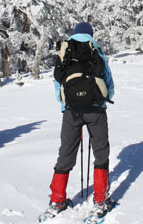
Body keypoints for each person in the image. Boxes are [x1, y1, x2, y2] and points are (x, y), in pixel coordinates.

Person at [42, 22, 116, 220]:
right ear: (91, 34)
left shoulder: (65, 52)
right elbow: (109, 83)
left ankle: (57, 199)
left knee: (65, 153)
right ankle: (100, 199)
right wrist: (102, 99)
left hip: (71, 112)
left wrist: (67, 103)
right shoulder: (96, 51)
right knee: (101, 152)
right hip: (96, 109)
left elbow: (59, 86)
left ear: (74, 34)